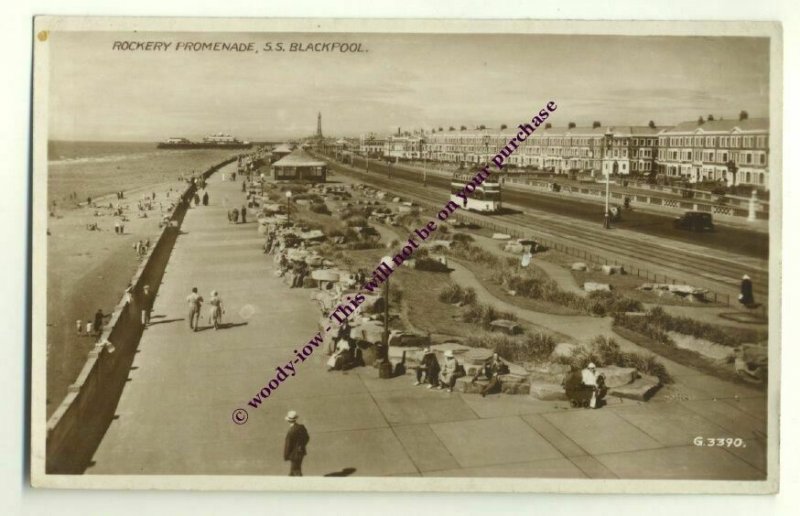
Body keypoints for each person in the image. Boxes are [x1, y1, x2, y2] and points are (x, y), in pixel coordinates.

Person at [283, 410, 310, 476]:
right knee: (295, 470)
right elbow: (306, 438)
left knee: (295, 471)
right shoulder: (301, 427)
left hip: (294, 454)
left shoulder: (291, 430)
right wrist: (301, 446)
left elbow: (288, 445)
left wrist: (286, 455)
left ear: (288, 420)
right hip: (300, 452)